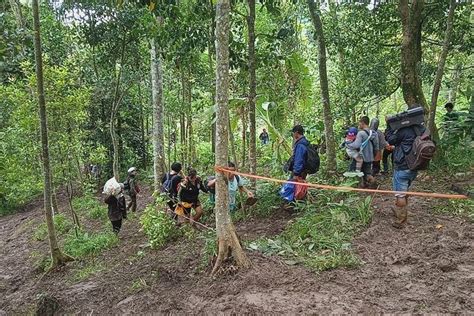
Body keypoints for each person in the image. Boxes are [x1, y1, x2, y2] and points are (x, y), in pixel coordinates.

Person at [385, 118, 425, 228]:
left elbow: (390, 139)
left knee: (400, 194)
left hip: (403, 167)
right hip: (414, 166)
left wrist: (388, 126)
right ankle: (401, 211)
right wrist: (396, 148)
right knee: (404, 191)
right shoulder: (422, 130)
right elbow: (408, 145)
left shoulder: (405, 130)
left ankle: (401, 219)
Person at [346, 116, 379, 187]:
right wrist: (373, 155)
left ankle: (360, 186)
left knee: (358, 172)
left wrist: (348, 145)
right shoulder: (374, 133)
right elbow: (376, 147)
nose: (359, 125)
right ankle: (373, 184)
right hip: (370, 157)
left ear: (363, 123)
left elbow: (356, 145)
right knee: (368, 173)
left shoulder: (361, 133)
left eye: (359, 123)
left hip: (361, 156)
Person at [280, 125, 310, 202]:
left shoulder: (300, 144)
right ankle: (300, 202)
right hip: (303, 169)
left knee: (293, 187)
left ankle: (292, 204)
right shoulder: (305, 142)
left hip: (299, 170)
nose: (293, 135)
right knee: (300, 187)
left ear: (296, 133)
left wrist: (296, 173)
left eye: (293, 133)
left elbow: (299, 159)